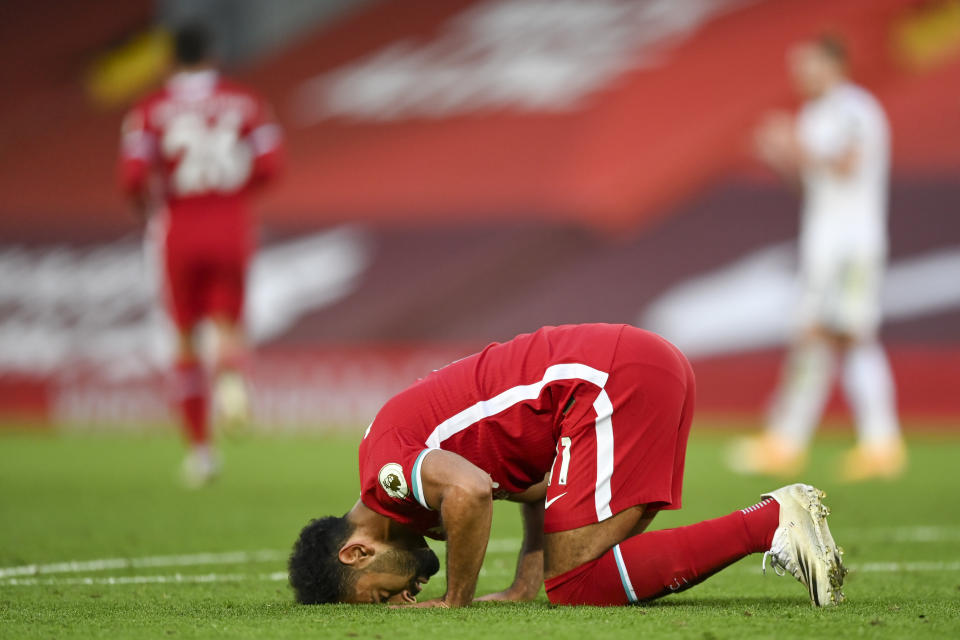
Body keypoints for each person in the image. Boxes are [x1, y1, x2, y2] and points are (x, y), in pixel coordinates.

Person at [289, 324, 846, 607]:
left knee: (578, 583)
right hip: (635, 368)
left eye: (382, 594)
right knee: (585, 574)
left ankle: (770, 521)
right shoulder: (403, 472)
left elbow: (472, 493)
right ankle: (771, 522)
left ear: (357, 551)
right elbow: (535, 492)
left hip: (605, 383)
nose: (401, 599)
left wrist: (454, 603)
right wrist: (521, 587)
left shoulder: (389, 476)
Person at [732, 34, 905, 482]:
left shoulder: (854, 109)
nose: (801, 74)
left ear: (834, 65)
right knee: (827, 337)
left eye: (808, 64)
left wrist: (793, 143)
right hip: (824, 242)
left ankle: (855, 441)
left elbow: (847, 165)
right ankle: (803, 441)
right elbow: (812, 184)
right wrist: (781, 158)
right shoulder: (814, 114)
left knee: (837, 334)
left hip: (852, 243)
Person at [118, 23, 283, 486]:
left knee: (185, 338)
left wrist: (145, 206)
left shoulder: (150, 109)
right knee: (227, 326)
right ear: (212, 54)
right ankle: (231, 375)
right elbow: (272, 164)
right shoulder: (247, 101)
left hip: (179, 225)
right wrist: (236, 195)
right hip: (231, 224)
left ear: (170, 60)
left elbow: (132, 176)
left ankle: (201, 453)